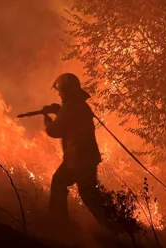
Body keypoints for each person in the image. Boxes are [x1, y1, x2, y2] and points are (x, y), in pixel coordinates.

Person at [42, 73, 110, 228]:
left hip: (77, 159)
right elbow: (71, 121)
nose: (59, 94)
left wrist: (47, 118)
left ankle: (58, 223)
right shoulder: (78, 105)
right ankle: (116, 227)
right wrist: (59, 111)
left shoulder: (71, 107)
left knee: (61, 183)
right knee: (89, 195)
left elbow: (54, 131)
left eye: (61, 91)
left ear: (67, 90)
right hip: (86, 157)